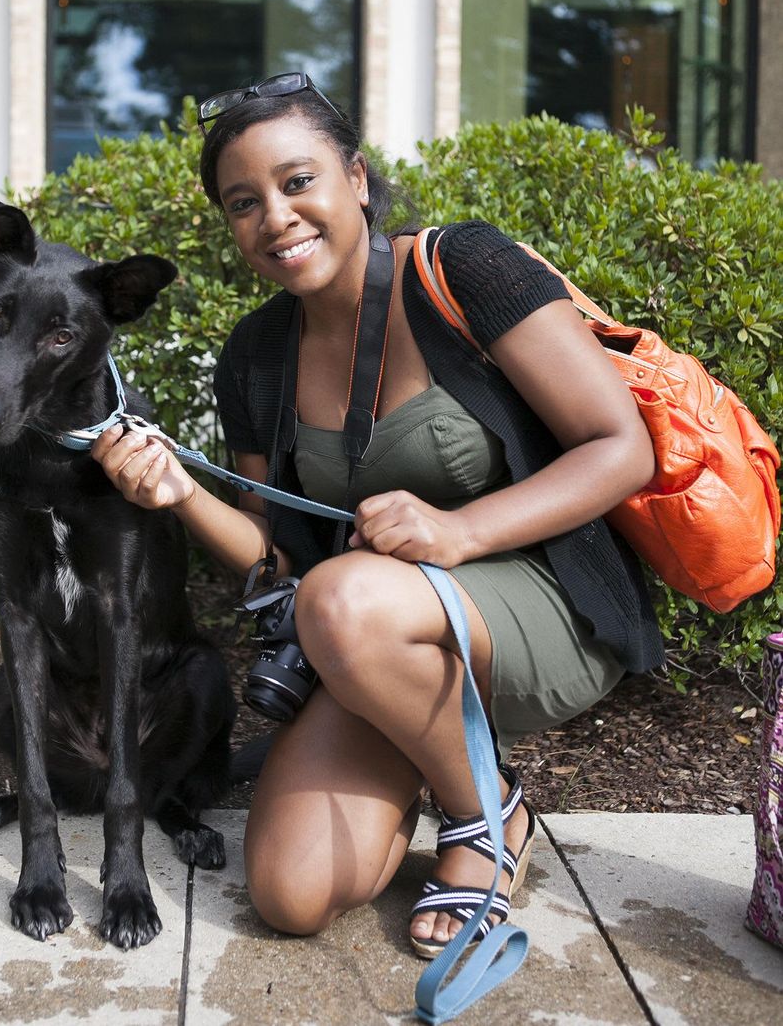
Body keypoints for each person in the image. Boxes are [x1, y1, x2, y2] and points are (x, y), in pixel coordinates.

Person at [91, 72, 665, 957]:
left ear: (355, 177)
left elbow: (620, 448)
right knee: (290, 891)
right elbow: (275, 559)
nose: (275, 217)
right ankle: (448, 755)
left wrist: (458, 530)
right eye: (243, 202)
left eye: (297, 181)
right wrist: (178, 491)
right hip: (375, 642)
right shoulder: (255, 356)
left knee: (344, 598)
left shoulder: (462, 269)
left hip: (544, 604)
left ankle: (485, 817)